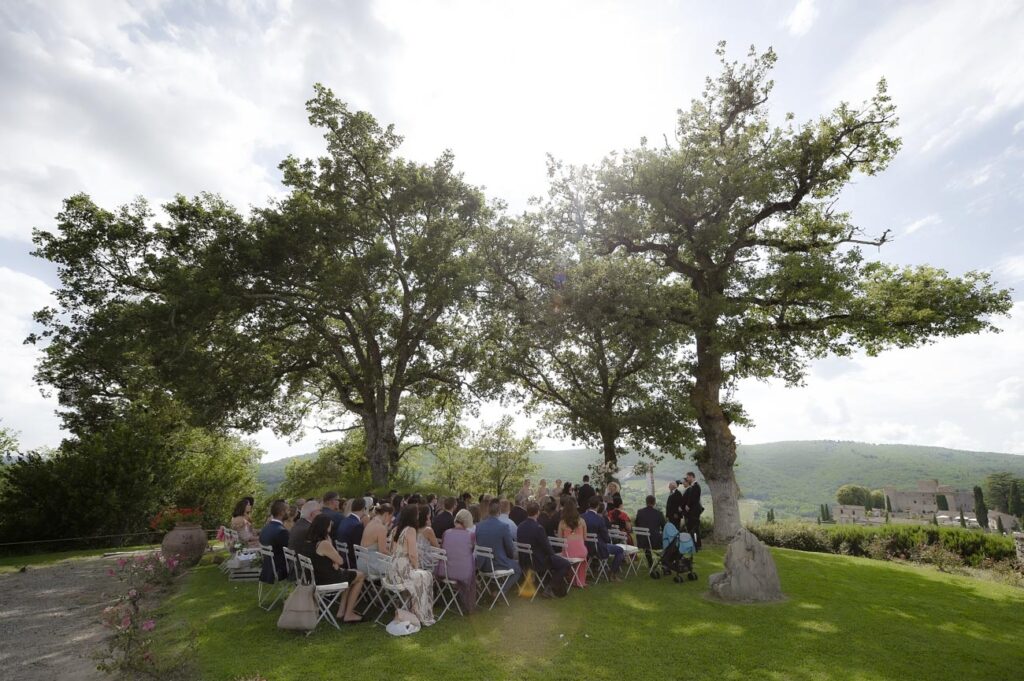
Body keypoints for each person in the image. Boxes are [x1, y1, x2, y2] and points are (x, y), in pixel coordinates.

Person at [299, 514, 366, 624]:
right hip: (326, 579)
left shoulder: (308, 540)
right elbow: (340, 560)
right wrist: (334, 559)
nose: (331, 527)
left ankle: (341, 611)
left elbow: (333, 561)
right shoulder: (323, 543)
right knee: (360, 575)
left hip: (315, 578)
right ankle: (348, 614)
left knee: (350, 575)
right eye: (330, 525)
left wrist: (335, 562)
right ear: (325, 527)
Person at [384, 505, 436, 626]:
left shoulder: (395, 528)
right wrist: (416, 567)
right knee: (426, 575)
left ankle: (410, 608)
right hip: (403, 570)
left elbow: (390, 549)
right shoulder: (410, 530)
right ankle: (419, 613)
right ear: (413, 516)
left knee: (422, 576)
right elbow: (413, 555)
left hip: (392, 570)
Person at [517, 501, 570, 597]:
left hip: (524, 561)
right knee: (565, 563)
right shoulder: (538, 528)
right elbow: (547, 548)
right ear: (537, 512)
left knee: (557, 561)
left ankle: (550, 584)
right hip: (537, 562)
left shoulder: (520, 526)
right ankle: (550, 587)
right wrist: (554, 555)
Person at [474, 499, 522, 595]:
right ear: (499, 512)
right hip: (497, 564)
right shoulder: (503, 527)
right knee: (518, 568)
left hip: (482, 564)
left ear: (488, 511)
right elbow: (510, 549)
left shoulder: (479, 526)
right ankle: (500, 591)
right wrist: (510, 557)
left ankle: (494, 587)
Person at [440, 509, 477, 612]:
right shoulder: (470, 535)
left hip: (446, 571)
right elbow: (472, 551)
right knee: (471, 571)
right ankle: (470, 606)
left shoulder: (446, 533)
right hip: (461, 573)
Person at [583, 496, 625, 581]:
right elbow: (606, 538)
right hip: (598, 548)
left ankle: (596, 570)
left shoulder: (582, 517)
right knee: (620, 550)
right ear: (598, 506)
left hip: (585, 547)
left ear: (589, 505)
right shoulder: (599, 519)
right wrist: (608, 541)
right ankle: (612, 573)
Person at [258, 499, 290, 583]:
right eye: (287, 510)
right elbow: (290, 550)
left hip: (267, 567)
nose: (289, 512)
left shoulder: (266, 528)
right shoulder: (281, 531)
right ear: (281, 512)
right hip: (280, 569)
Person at [558, 498, 587, 587]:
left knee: (569, 557)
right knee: (581, 558)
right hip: (581, 551)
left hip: (567, 553)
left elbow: (560, 540)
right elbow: (585, 538)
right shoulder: (582, 521)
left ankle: (572, 579)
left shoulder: (562, 523)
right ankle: (580, 581)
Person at [358, 503, 393, 577]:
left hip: (361, 562)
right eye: (391, 517)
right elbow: (382, 551)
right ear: (386, 514)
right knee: (398, 565)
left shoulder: (370, 522)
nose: (390, 520)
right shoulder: (381, 528)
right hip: (370, 564)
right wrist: (393, 556)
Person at [335, 497, 368, 568]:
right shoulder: (357, 525)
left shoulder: (344, 520)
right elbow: (358, 547)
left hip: (342, 557)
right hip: (351, 562)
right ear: (363, 509)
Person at [634, 494, 666, 566]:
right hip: (655, 542)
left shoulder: (640, 512)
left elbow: (637, 524)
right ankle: (664, 562)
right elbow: (665, 528)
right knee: (666, 541)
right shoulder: (659, 514)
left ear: (646, 502)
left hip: (642, 541)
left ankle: (650, 563)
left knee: (647, 542)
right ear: (654, 503)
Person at [680, 471, 704, 550]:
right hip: (692, 511)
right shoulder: (693, 486)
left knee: (695, 529)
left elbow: (694, 498)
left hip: (694, 511)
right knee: (692, 529)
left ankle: (697, 544)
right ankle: (694, 543)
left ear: (691, 477)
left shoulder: (696, 486)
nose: (687, 479)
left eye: (687, 477)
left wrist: (688, 505)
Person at [416, 504, 440, 570]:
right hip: (424, 562)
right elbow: (436, 546)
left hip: (416, 559)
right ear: (427, 515)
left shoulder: (414, 528)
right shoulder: (428, 530)